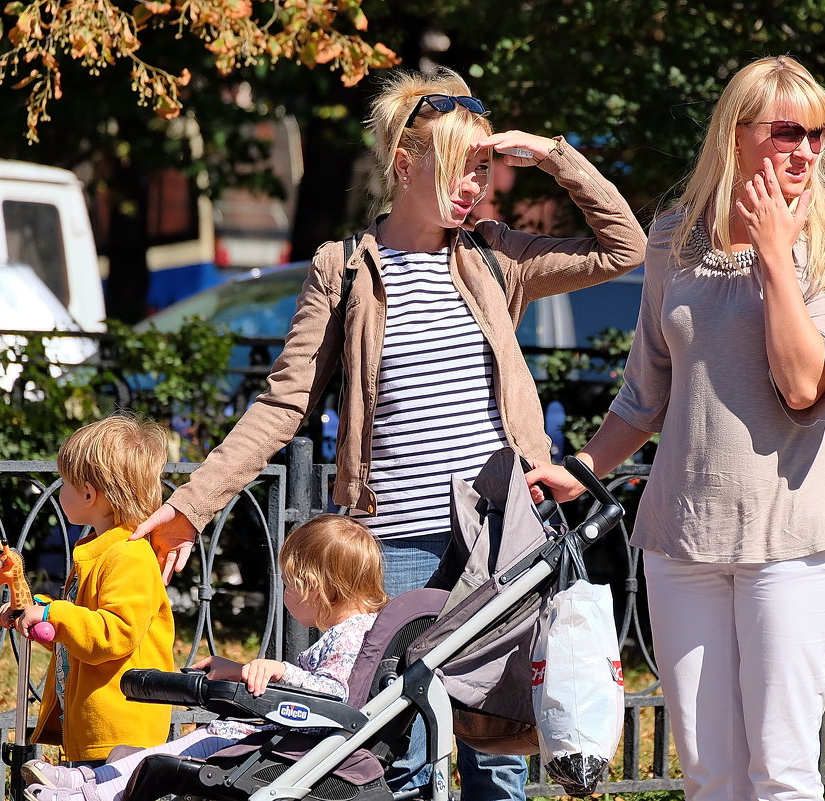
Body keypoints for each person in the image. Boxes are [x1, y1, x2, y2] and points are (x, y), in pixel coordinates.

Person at [132, 66, 647, 799]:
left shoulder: (497, 256)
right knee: (382, 746)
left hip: (495, 545)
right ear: (405, 164)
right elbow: (284, 403)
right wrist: (191, 506)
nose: (476, 186)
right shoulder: (343, 268)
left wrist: (554, 154)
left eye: (483, 167)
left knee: (492, 748)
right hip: (391, 549)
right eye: (458, 167)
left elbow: (624, 249)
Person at [526, 55, 825, 801]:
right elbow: (645, 390)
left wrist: (777, 257)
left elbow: (801, 384)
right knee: (708, 774)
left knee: (780, 770)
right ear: (737, 132)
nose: (807, 150)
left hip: (792, 543)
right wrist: (582, 466)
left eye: (819, 133)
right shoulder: (675, 235)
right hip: (682, 536)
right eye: (789, 131)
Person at [23, 514, 388, 801]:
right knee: (189, 744)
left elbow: (333, 696)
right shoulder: (359, 631)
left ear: (317, 587)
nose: (286, 593)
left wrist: (280, 672)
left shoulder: (351, 634)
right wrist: (240, 671)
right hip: (280, 736)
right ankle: (89, 780)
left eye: (290, 584)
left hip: (285, 744)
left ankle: (94, 789)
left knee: (190, 748)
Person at [0, 413, 174, 768]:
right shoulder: (98, 550)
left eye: (64, 482)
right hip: (94, 724)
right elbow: (81, 629)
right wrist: (35, 613)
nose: (60, 490)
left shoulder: (129, 554)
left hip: (121, 731)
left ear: (89, 493)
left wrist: (53, 615)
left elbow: (114, 634)